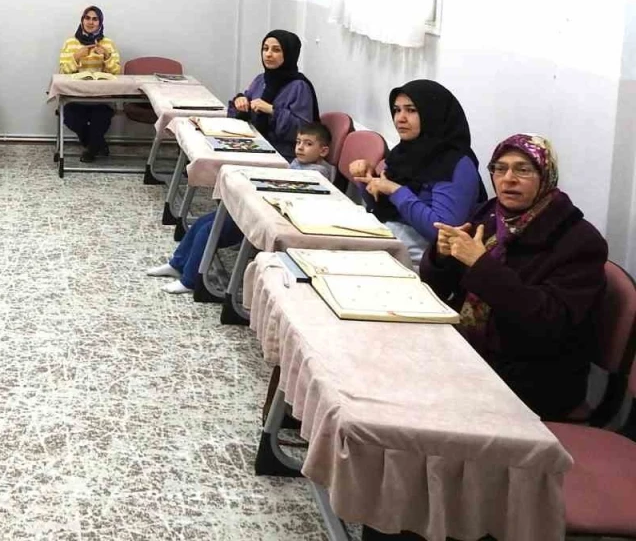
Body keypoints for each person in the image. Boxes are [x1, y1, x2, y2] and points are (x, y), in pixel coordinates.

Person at [422, 134, 607, 420]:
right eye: (500, 168)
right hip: (470, 351)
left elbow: (549, 321)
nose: (508, 179)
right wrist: (441, 255)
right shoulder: (489, 214)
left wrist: (480, 265)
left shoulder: (579, 240)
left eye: (523, 169)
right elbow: (439, 288)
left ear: (546, 175)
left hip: (534, 378)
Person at [148, 121, 336, 295]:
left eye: (308, 144)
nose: (300, 147)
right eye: (298, 142)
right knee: (201, 222)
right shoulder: (299, 163)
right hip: (264, 208)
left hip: (268, 218)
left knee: (208, 231)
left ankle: (189, 281)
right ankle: (177, 264)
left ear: (323, 151)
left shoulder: (318, 173)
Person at [348, 79, 485, 266]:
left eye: (411, 110)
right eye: (397, 110)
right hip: (391, 238)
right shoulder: (403, 152)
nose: (400, 118)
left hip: (426, 261)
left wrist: (396, 190)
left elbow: (444, 233)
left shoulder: (457, 164)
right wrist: (366, 179)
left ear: (433, 114)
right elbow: (383, 208)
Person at [228, 30, 318, 162]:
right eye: (265, 49)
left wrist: (271, 110)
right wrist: (240, 102)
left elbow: (304, 131)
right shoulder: (261, 79)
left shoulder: (299, 86)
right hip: (255, 143)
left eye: (276, 50)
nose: (268, 54)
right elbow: (244, 110)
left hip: (283, 154)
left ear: (289, 54)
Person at [57, 5, 121, 162]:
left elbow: (117, 72)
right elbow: (63, 72)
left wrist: (106, 57)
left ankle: (91, 151)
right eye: (87, 18)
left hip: (101, 98)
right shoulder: (70, 43)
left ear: (100, 22)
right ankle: (98, 144)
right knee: (71, 118)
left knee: (102, 118)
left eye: (95, 19)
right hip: (75, 97)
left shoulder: (108, 44)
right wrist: (76, 57)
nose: (91, 22)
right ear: (82, 21)